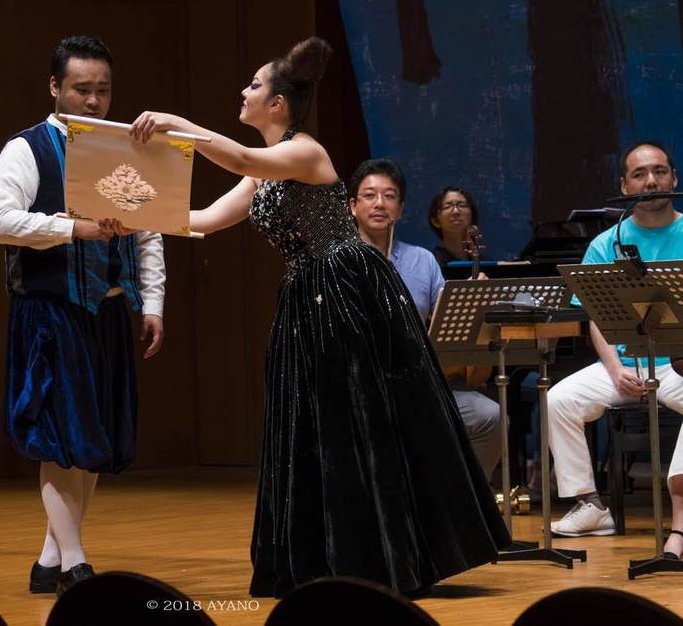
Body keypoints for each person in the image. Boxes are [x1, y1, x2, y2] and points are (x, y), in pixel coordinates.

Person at [128, 36, 508, 598]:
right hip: (307, 297)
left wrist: (174, 123)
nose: (243, 91)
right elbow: (203, 219)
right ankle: (326, 556)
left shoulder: (304, 152)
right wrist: (130, 212)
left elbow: (240, 157)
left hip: (346, 289)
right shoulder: (265, 171)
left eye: (254, 85)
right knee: (316, 425)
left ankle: (384, 557)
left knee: (360, 419)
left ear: (278, 104)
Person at [0, 35, 166, 595]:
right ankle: (76, 564)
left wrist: (153, 302)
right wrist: (71, 227)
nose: (93, 100)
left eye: (102, 89)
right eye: (81, 89)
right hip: (50, 313)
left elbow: (149, 229)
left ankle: (49, 560)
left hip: (106, 311)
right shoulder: (26, 149)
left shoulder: (124, 147)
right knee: (60, 438)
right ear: (54, 87)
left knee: (91, 441)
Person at [546, 141, 683, 559]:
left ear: (674, 178)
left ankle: (680, 517)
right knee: (558, 400)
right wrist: (614, 369)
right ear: (625, 186)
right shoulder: (607, 243)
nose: (651, 181)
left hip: (678, 364)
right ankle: (589, 504)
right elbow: (596, 316)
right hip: (624, 364)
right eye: (640, 174)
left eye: (659, 171)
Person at [347, 159, 501, 480]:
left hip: (421, 385)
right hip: (362, 388)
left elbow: (445, 326)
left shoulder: (422, 260)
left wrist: (471, 304)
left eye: (389, 196)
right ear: (352, 206)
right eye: (370, 195)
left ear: (400, 209)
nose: (379, 203)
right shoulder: (338, 261)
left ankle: (463, 501)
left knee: (489, 415)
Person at [427, 186, 483, 270]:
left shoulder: (486, 264)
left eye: (462, 205)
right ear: (435, 221)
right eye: (447, 206)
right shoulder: (429, 264)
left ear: (472, 216)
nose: (456, 211)